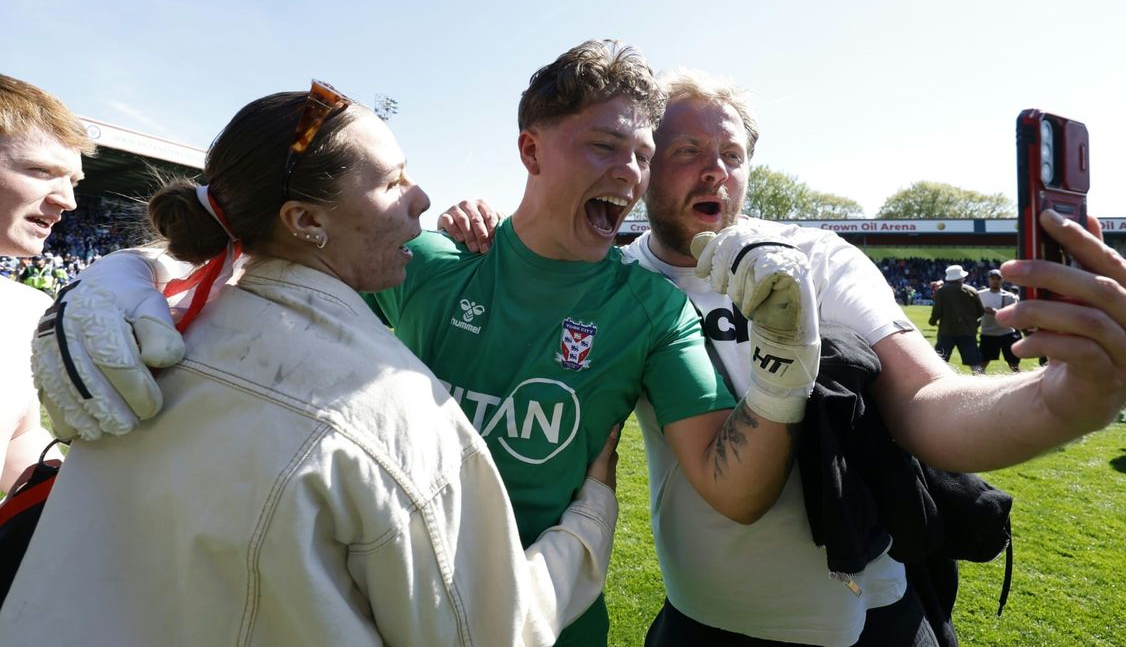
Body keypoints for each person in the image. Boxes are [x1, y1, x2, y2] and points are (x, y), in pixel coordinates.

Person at [28, 44, 817, 647]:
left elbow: (733, 488)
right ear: (530, 149)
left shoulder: (651, 310)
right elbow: (263, 253)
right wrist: (127, 274)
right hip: (382, 608)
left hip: (554, 624)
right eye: (608, 146)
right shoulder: (426, 261)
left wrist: (780, 381)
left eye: (643, 155)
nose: (633, 170)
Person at [441, 68, 1126, 646]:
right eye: (687, 152)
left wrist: (1063, 399)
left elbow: (925, 402)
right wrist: (480, 232)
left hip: (882, 613)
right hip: (713, 623)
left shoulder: (816, 258)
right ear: (644, 166)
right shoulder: (621, 284)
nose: (715, 172)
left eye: (732, 155)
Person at [1, 82, 623, 646]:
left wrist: (135, 266)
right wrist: (591, 519)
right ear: (304, 221)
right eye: (392, 182)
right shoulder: (396, 411)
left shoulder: (148, 328)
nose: (423, 199)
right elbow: (494, 636)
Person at [0, 74, 90, 493]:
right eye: (40, 171)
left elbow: (17, 441)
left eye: (72, 181)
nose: (67, 200)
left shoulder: (25, 310)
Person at [929, 264, 984, 374]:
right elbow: (981, 311)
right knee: (974, 362)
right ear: (961, 277)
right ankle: (981, 381)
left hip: (947, 331)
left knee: (940, 361)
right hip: (967, 331)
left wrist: (933, 321)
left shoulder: (942, 292)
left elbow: (937, 311)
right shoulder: (972, 291)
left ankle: (937, 382)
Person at [977, 269, 1022, 373]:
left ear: (1002, 280)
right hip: (988, 333)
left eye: (998, 278)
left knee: (1013, 364)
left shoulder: (1010, 297)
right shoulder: (980, 295)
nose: (995, 281)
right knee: (982, 364)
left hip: (1006, 333)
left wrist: (995, 313)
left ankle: (1022, 385)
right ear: (988, 280)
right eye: (993, 278)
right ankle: (978, 386)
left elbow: (1013, 315)